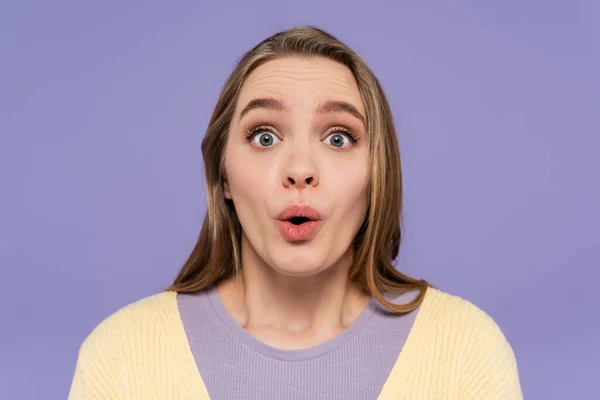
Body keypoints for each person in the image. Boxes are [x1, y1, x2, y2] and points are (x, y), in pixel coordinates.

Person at [68, 26, 523, 399]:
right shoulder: (121, 357)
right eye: (264, 137)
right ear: (223, 175)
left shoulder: (466, 352)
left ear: (378, 173)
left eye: (339, 137)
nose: (300, 170)